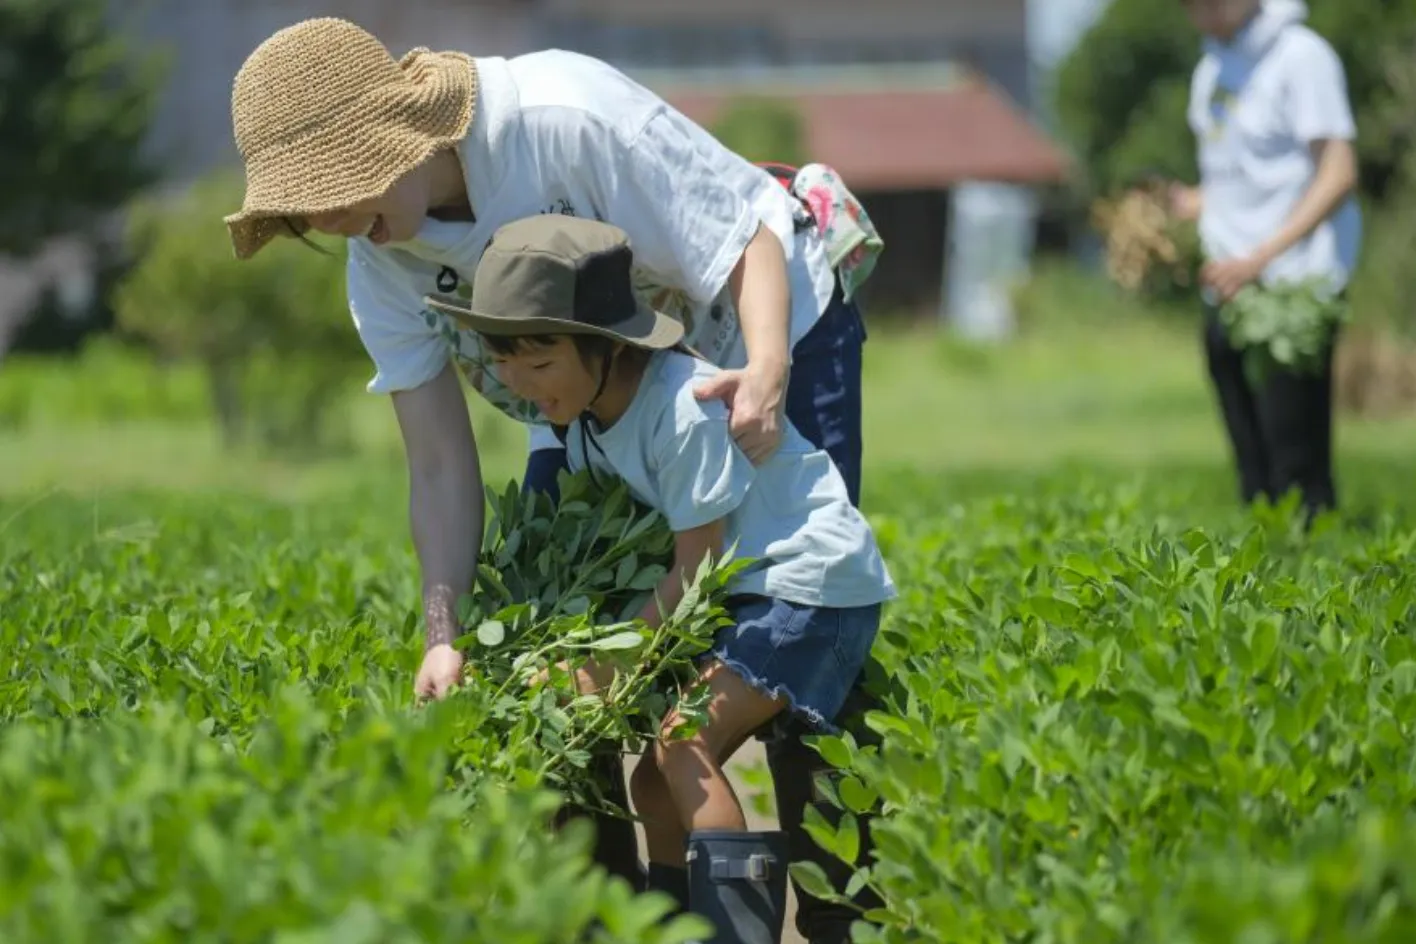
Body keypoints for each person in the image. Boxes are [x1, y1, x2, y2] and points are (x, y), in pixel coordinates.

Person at [222, 17, 887, 942]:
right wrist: (443, 632)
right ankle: (617, 920)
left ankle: (835, 924)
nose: (331, 224)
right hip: (594, 401)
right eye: (307, 211)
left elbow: (745, 242)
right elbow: (442, 463)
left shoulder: (563, 117)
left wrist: (767, 375)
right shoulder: (379, 264)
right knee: (556, 639)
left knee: (789, 626)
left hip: (764, 326)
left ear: (400, 135)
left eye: (338, 189)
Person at [428, 214, 896, 944]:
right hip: (747, 589)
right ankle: (675, 927)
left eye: (540, 363)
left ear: (605, 344)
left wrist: (610, 663)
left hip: (808, 587)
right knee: (652, 781)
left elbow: (697, 566)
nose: (517, 383)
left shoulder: (682, 409)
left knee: (683, 744)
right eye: (502, 361)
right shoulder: (583, 421)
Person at [1168, 0, 1361, 518]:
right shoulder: (1210, 68)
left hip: (1294, 279)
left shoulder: (1302, 56)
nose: (1196, 12)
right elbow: (1238, 175)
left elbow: (1338, 173)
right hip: (1227, 280)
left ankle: (1317, 572)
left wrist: (1261, 256)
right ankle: (1262, 571)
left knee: (1294, 456)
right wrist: (1187, 205)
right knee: (1250, 457)